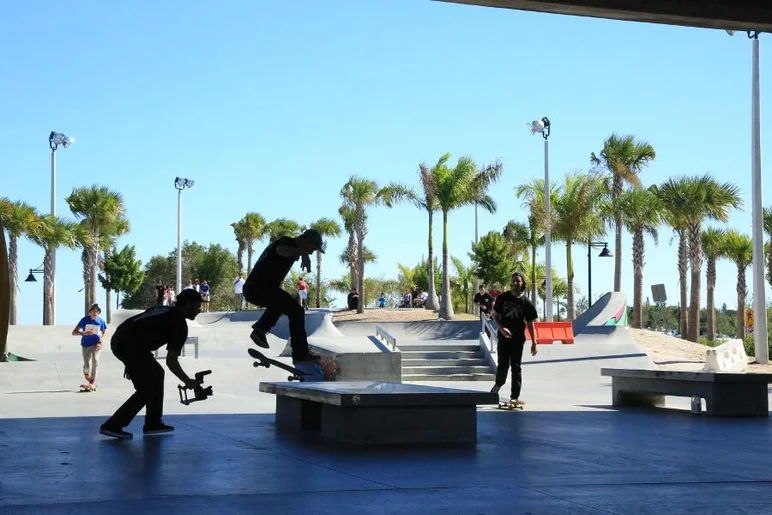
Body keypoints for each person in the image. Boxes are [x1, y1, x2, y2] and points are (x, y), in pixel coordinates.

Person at [98, 289, 203, 439]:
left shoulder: (163, 309)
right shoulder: (179, 324)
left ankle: (153, 422)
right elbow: (171, 361)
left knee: (157, 373)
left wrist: (131, 363)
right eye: (197, 306)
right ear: (187, 303)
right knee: (146, 389)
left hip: (123, 340)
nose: (199, 310)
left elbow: (138, 324)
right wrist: (187, 381)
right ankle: (113, 425)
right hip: (131, 346)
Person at [243, 229, 326, 363]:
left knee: (281, 304)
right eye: (312, 248)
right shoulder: (287, 241)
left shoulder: (291, 247)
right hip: (258, 287)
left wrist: (302, 252)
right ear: (304, 240)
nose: (311, 252)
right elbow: (281, 250)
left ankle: (260, 330)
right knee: (297, 311)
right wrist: (302, 252)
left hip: (260, 289)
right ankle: (301, 354)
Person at [490, 272, 538, 406]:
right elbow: (495, 316)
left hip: (518, 339)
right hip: (504, 337)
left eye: (518, 281)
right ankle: (498, 386)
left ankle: (514, 397)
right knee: (503, 364)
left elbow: (530, 323)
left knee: (516, 367)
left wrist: (534, 341)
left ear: (523, 283)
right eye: (514, 281)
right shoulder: (502, 298)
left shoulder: (526, 303)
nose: (515, 283)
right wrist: (501, 329)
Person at [71, 303, 108, 391]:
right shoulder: (84, 320)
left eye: (97, 311)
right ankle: (87, 374)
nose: (95, 313)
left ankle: (92, 382)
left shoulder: (101, 321)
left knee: (95, 361)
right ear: (90, 312)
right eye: (93, 311)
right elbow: (74, 332)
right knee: (87, 365)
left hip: (96, 344)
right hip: (85, 345)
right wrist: (83, 333)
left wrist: (100, 341)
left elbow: (105, 331)